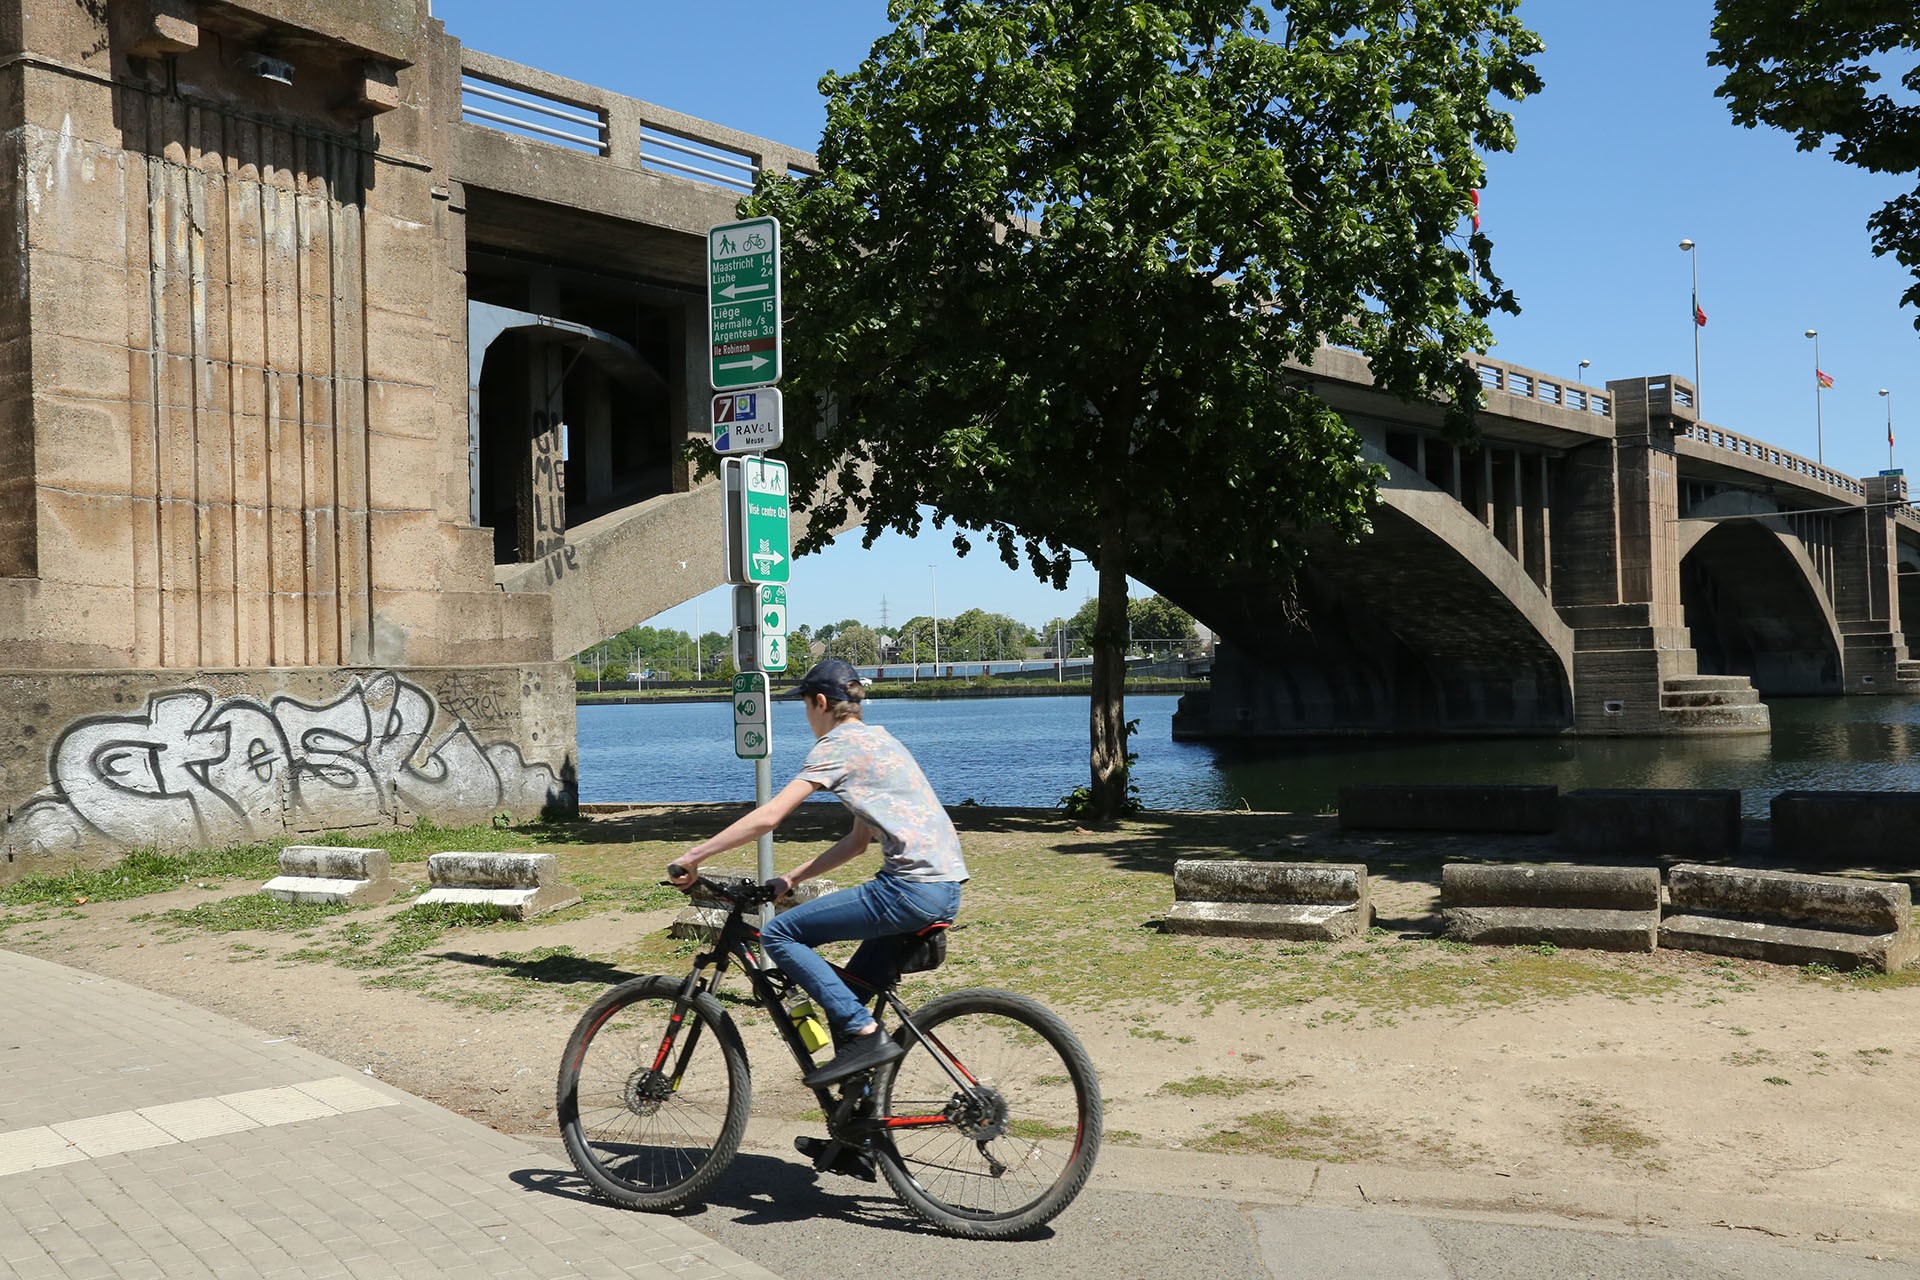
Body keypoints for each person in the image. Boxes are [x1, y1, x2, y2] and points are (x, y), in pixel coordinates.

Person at [666, 657, 968, 1087]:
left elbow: (770, 816)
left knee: (779, 934)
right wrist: (791, 879)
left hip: (908, 889)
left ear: (821, 703)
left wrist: (695, 855)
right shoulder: (881, 742)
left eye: (805, 705)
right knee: (849, 1000)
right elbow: (857, 842)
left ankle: (866, 1035)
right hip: (944, 887)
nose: (806, 717)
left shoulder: (836, 746)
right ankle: (862, 1119)